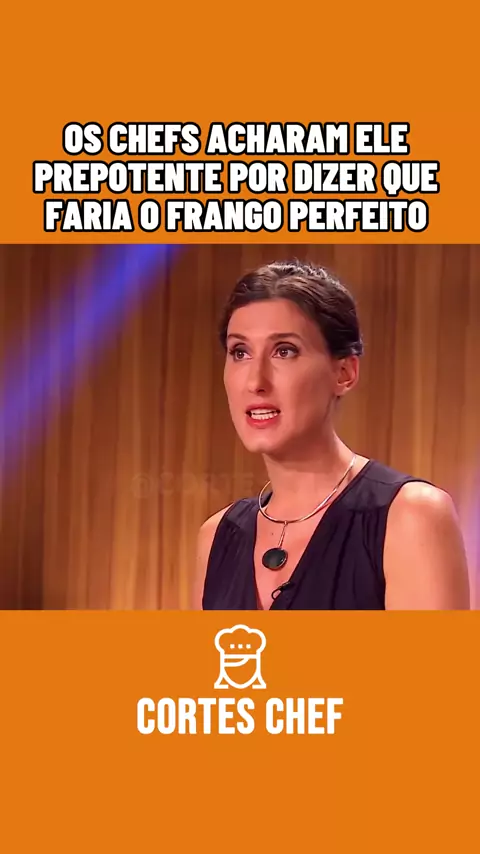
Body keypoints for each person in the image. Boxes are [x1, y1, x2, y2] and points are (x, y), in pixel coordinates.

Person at [192, 260, 470, 611]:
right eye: (240, 352)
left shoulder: (412, 517)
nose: (255, 381)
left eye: (284, 351)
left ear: (344, 373)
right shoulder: (217, 536)